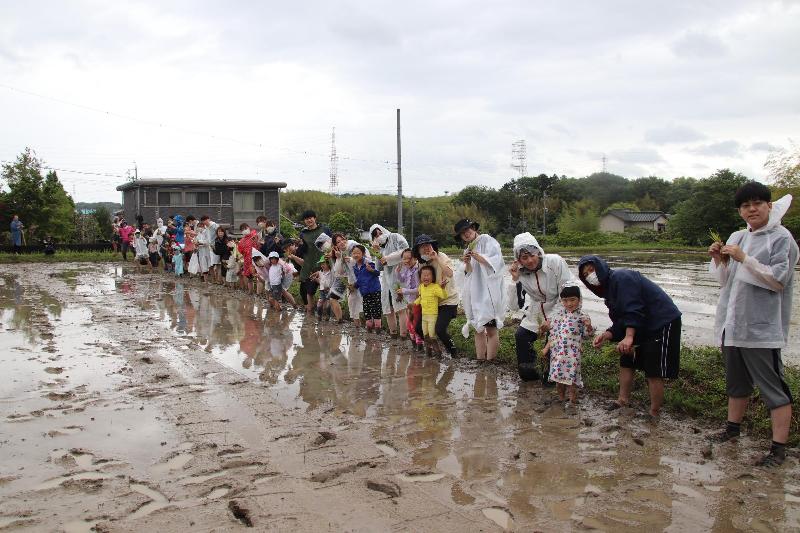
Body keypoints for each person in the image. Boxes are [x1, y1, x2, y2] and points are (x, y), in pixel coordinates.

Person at [708, 182, 798, 467]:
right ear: (740, 211)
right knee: (737, 384)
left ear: (769, 206)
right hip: (732, 325)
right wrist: (719, 260)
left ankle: (778, 448)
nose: (752, 209)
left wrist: (744, 258)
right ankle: (732, 430)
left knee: (774, 388)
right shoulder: (737, 236)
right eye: (746, 205)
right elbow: (725, 283)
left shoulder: (781, 238)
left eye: (757, 203)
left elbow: (778, 281)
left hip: (761, 329)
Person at [578, 255, 682, 419]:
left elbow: (633, 309)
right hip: (642, 323)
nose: (590, 275)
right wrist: (608, 334)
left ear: (601, 267)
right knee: (626, 359)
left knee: (653, 370)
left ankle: (654, 412)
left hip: (661, 322)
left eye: (592, 269)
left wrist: (629, 336)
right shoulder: (609, 291)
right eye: (585, 274)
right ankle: (622, 400)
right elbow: (621, 319)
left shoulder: (622, 277)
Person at [507, 232, 576, 382]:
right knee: (521, 336)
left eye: (532, 255)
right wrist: (514, 280)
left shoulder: (555, 262)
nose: (530, 260)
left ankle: (551, 375)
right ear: (518, 260)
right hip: (536, 310)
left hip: (562, 308)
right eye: (524, 258)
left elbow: (568, 293)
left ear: (538, 251)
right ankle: (530, 374)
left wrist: (554, 319)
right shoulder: (521, 273)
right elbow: (514, 306)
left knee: (550, 374)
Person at [456, 219, 507, 362]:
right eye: (462, 233)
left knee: (491, 329)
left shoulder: (487, 240)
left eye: (467, 230)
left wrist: (480, 257)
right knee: (478, 328)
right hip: (475, 292)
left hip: (488, 292)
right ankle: (480, 360)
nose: (466, 234)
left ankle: (490, 361)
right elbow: (468, 273)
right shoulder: (468, 249)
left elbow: (497, 262)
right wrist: (466, 263)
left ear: (473, 228)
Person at [542, 285, 594, 407]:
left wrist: (589, 326)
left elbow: (588, 334)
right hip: (558, 352)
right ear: (561, 301)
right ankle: (561, 398)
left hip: (573, 352)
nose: (569, 303)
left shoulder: (582, 316)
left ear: (579, 300)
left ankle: (572, 400)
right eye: (565, 300)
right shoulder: (559, 315)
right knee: (558, 376)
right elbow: (553, 334)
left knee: (572, 378)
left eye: (572, 300)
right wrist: (546, 348)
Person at [412, 234, 459, 356]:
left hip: (447, 300)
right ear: (418, 250)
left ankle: (453, 352)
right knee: (418, 328)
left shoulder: (442, 256)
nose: (425, 248)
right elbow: (422, 284)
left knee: (440, 329)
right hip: (431, 302)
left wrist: (437, 258)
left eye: (428, 245)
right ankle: (435, 347)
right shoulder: (421, 263)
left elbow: (450, 274)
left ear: (432, 246)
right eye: (422, 247)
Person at [369, 224, 410, 338]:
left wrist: (388, 258)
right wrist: (377, 253)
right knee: (388, 308)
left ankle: (403, 336)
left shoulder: (395, 237)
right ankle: (393, 334)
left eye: (379, 232)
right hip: (387, 281)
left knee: (401, 307)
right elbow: (379, 267)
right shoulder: (380, 247)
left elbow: (405, 251)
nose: (378, 235)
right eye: (375, 235)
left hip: (400, 277)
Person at [297, 210, 331, 314]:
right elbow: (302, 251)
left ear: (315, 218)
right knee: (307, 291)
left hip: (323, 263)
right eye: (306, 219)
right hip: (309, 265)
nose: (309, 220)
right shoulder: (303, 233)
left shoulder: (324, 229)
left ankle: (326, 315)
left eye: (311, 217)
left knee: (326, 289)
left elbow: (332, 243)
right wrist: (300, 246)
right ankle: (310, 314)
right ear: (304, 221)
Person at [414, 265, 448, 356]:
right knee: (425, 335)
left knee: (432, 334)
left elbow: (443, 296)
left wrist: (442, 288)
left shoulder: (435, 287)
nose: (426, 277)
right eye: (423, 275)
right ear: (420, 277)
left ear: (433, 277)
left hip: (432, 315)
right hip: (424, 315)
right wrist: (414, 304)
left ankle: (438, 352)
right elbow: (421, 298)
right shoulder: (421, 287)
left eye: (428, 275)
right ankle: (428, 353)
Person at [351, 244, 382, 332]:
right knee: (367, 310)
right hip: (364, 292)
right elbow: (360, 280)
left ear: (363, 254)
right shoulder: (355, 267)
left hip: (374, 290)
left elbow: (377, 273)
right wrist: (354, 286)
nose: (356, 255)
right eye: (354, 253)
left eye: (358, 253)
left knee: (376, 309)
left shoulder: (369, 263)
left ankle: (378, 329)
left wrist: (371, 270)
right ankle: (369, 328)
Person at [395, 249, 422, 350]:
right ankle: (414, 342)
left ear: (415, 258)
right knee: (409, 322)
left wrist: (405, 291)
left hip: (416, 300)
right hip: (408, 300)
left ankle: (419, 344)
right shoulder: (407, 269)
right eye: (404, 258)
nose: (406, 261)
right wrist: (397, 272)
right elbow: (402, 279)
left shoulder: (417, 270)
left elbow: (419, 289)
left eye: (408, 258)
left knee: (415, 322)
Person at [237, 223, 259, 293]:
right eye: (242, 230)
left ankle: (259, 292)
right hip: (247, 260)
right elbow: (240, 250)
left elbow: (258, 243)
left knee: (259, 276)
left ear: (249, 227)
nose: (245, 230)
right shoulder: (242, 241)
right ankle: (250, 291)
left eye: (245, 228)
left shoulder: (254, 234)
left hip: (257, 258)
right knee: (249, 277)